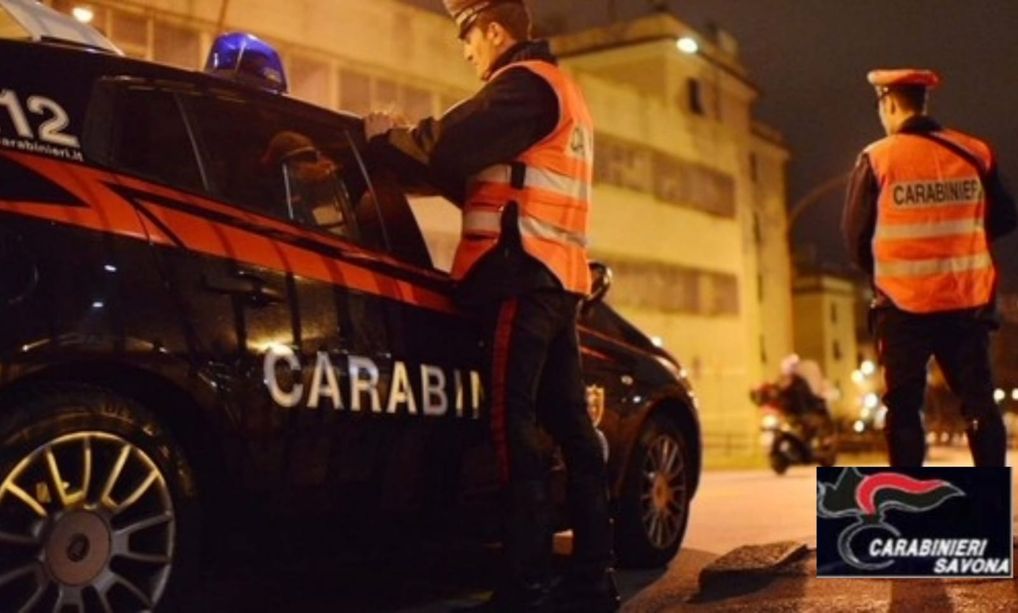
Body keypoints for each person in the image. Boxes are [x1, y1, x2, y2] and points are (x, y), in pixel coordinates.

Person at [364, 1, 616, 611]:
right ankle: (591, 580)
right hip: (555, 280)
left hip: (517, 276)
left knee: (513, 431)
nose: (467, 51)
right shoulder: (564, 93)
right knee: (574, 435)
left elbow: (448, 144)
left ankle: (525, 585)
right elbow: (476, 176)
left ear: (496, 31)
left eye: (468, 37)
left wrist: (381, 138)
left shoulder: (521, 87)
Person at [842, 68, 1017, 467]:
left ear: (888, 105)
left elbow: (856, 238)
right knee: (977, 402)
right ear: (923, 103)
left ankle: (907, 510)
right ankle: (989, 508)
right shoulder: (974, 152)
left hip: (903, 310)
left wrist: (890, 272)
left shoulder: (877, 158)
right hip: (965, 303)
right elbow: (1007, 217)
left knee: (904, 410)